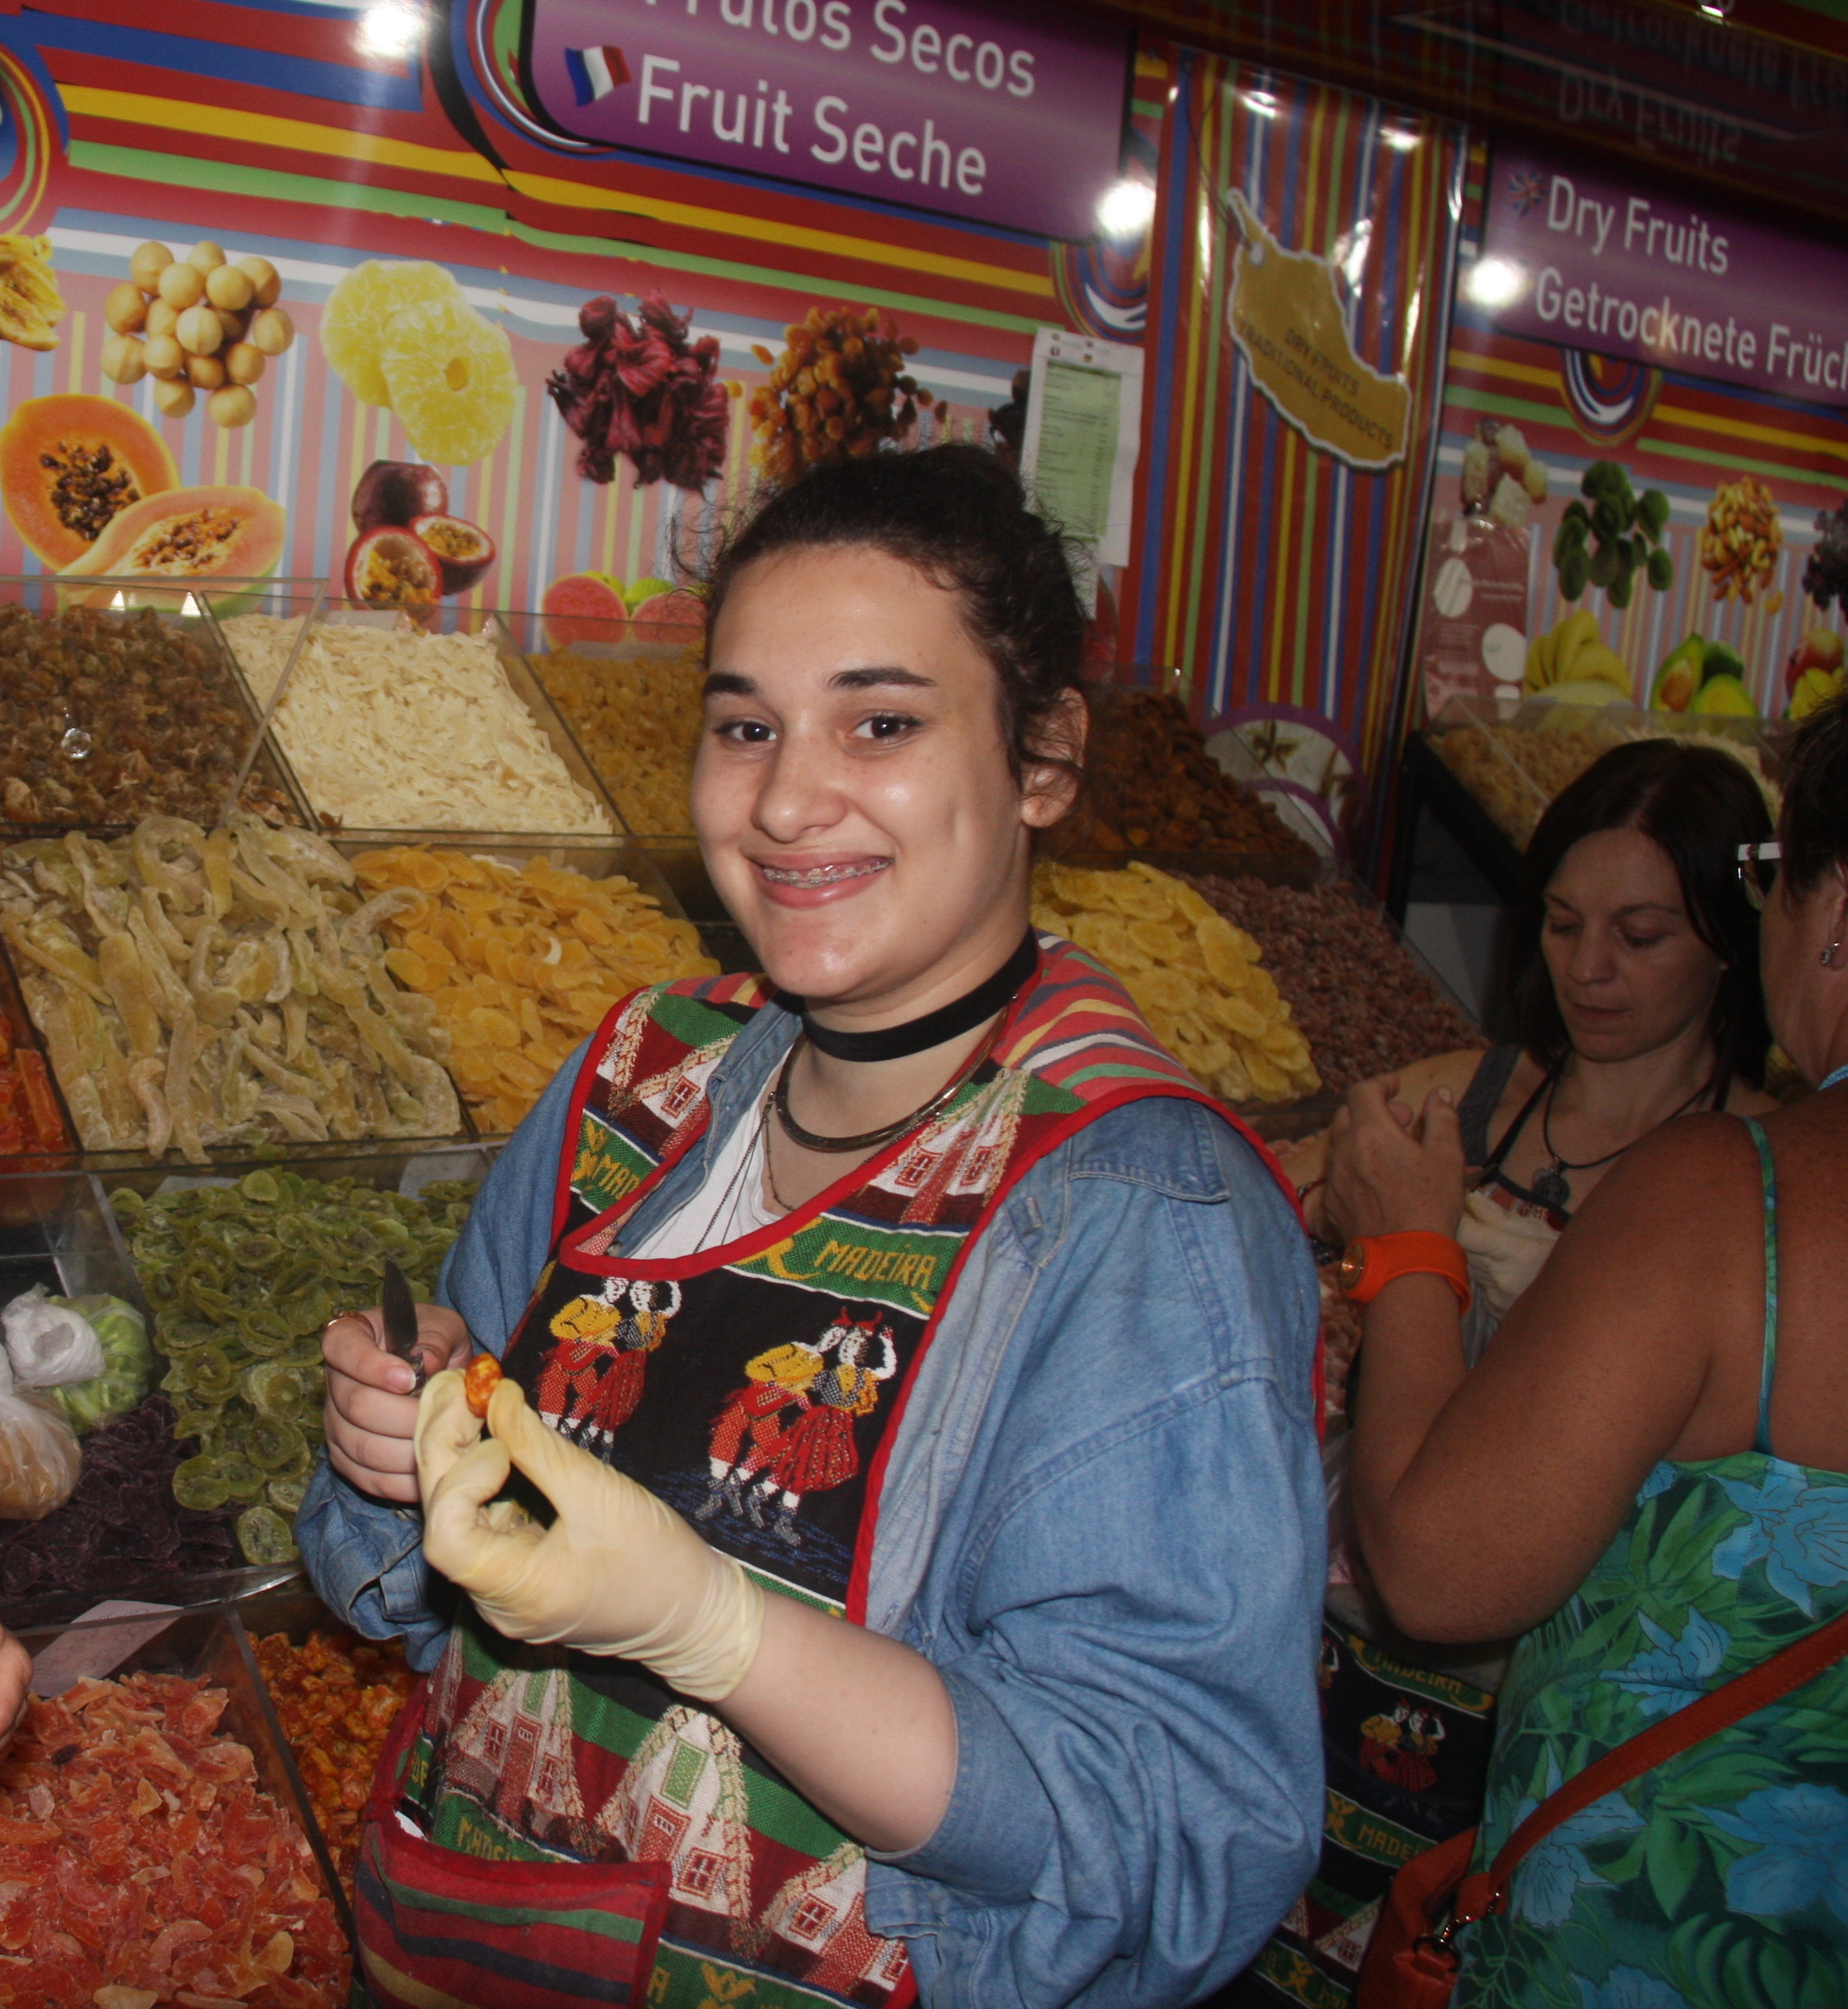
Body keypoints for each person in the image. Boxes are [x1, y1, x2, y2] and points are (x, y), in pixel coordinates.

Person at [297, 444, 1325, 2009]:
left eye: (881, 723)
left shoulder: (1133, 1209)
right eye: (744, 725)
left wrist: (715, 1628)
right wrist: (401, 1441)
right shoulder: (634, 1081)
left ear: (1044, 758)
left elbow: (1172, 1843)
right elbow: (405, 1595)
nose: (784, 799)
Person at [1235, 739, 1780, 2009]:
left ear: (1729, 940)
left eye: (1640, 935)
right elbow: (1262, 1205)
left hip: (1527, 1701)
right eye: (1562, 921)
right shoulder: (1461, 1102)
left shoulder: (1745, 1186)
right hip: (1323, 1641)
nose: (1587, 968)